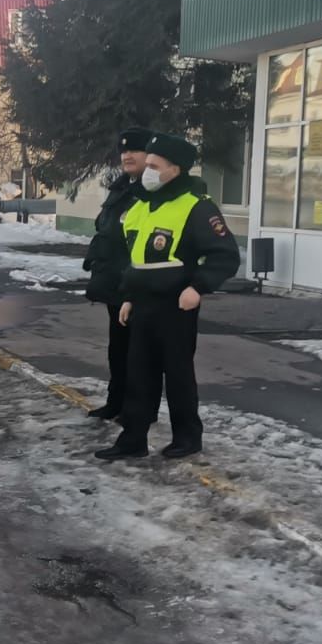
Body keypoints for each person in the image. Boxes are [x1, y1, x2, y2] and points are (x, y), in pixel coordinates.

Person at [95, 130, 239, 463]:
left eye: (154, 165)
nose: (147, 170)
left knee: (177, 376)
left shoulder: (196, 207)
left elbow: (225, 255)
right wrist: (129, 296)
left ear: (174, 169)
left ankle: (187, 437)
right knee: (138, 376)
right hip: (143, 305)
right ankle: (133, 439)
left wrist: (197, 287)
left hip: (176, 304)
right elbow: (138, 259)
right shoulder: (144, 206)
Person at [81, 130, 150, 420]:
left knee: (139, 354)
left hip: (138, 285)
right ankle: (117, 401)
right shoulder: (121, 187)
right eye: (123, 152)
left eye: (135, 150)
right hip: (115, 286)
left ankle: (137, 409)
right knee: (118, 350)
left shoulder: (151, 191)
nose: (127, 156)